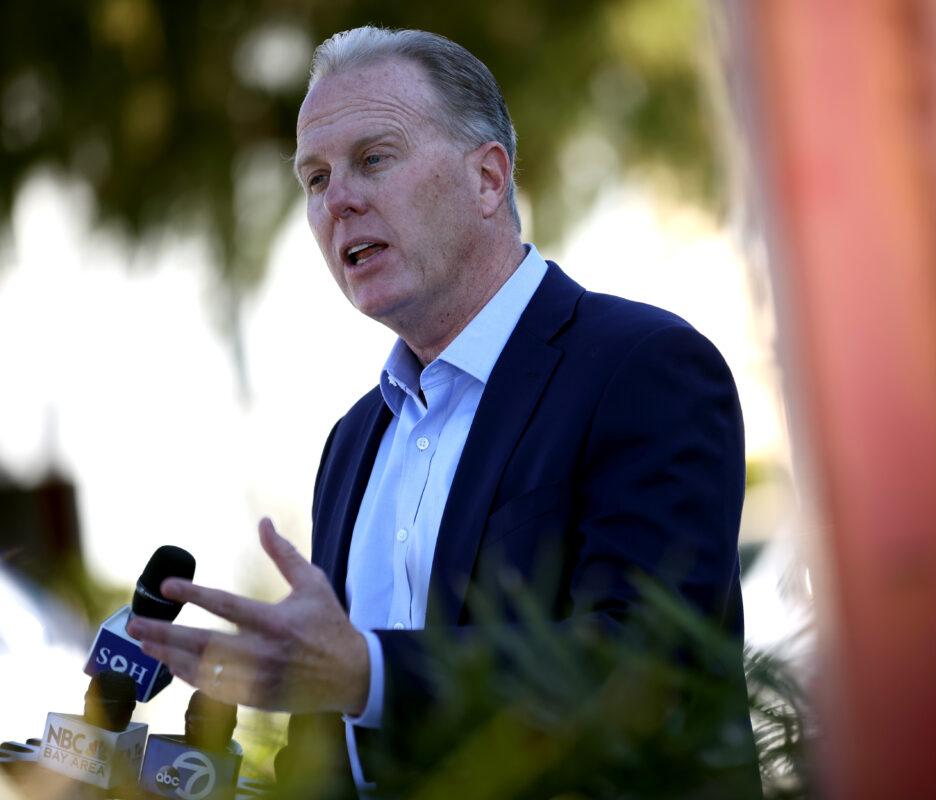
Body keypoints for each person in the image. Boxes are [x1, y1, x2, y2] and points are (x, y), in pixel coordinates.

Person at [127, 26, 753, 797]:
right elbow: (323, 754)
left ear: (489, 179)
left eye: (374, 159)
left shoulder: (644, 368)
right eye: (315, 178)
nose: (338, 201)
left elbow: (648, 671)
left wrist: (370, 673)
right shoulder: (353, 441)